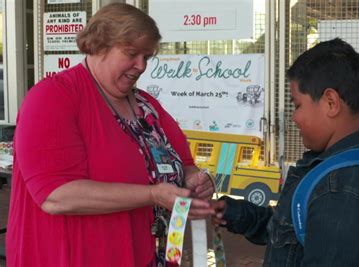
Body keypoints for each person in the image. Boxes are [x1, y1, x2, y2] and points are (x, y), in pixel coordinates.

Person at [7, 3, 215, 266]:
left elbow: (184, 164)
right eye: (132, 54)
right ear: (99, 45)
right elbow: (55, 196)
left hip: (147, 255)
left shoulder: (146, 105)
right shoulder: (53, 97)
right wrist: (152, 194)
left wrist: (196, 179)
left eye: (147, 57)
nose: (141, 66)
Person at [212, 38, 359, 266]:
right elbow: (290, 231)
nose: (294, 117)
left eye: (297, 105)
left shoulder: (340, 191)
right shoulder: (338, 169)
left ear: (331, 103)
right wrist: (232, 212)